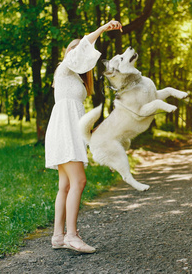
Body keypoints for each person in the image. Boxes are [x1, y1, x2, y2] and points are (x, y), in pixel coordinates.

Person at [45, 20, 122, 254]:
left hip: (67, 129)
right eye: (75, 50)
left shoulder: (75, 77)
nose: (78, 53)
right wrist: (103, 28)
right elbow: (82, 47)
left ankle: (59, 236)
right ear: (71, 53)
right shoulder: (65, 66)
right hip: (64, 130)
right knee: (79, 182)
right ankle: (72, 236)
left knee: (66, 185)